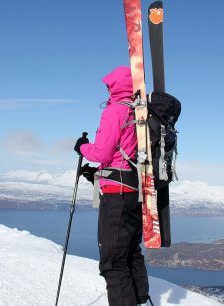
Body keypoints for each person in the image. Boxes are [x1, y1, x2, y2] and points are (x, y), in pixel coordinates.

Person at [74, 66, 150, 306]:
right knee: (130, 251)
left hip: (116, 196)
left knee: (112, 261)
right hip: (135, 191)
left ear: (115, 86)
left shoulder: (114, 111)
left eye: (109, 85)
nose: (107, 88)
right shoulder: (140, 112)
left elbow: (102, 151)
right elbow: (124, 156)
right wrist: (97, 174)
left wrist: (82, 148)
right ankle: (138, 299)